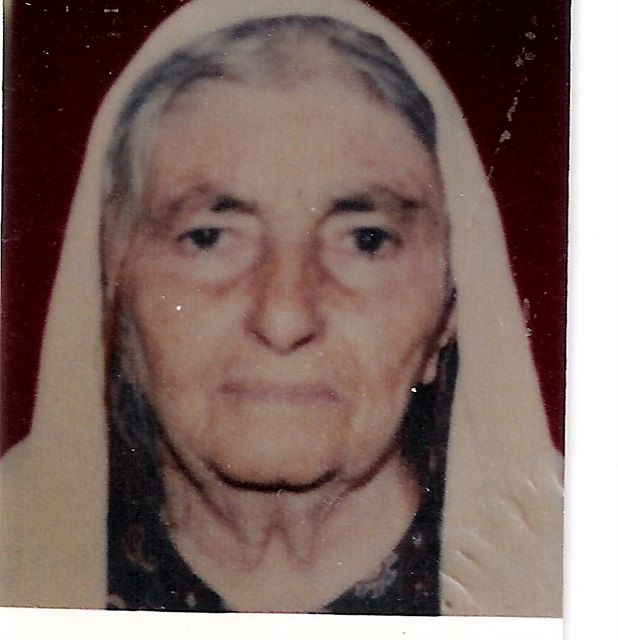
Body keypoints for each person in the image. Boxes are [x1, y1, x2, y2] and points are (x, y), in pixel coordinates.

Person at [0, 0, 562, 616]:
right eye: (209, 238)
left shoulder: (577, 568)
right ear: (114, 294)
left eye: (365, 240)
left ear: (452, 308)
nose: (285, 317)